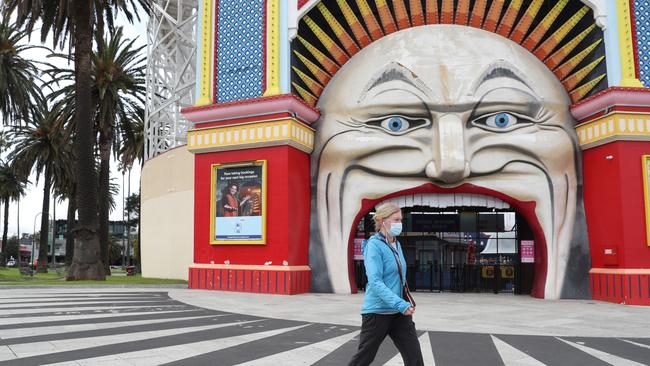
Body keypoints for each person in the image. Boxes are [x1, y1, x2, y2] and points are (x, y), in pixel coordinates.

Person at [349, 202, 423, 366]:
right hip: (377, 313)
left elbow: (400, 278)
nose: (400, 224)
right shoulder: (374, 245)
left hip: (399, 314)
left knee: (415, 359)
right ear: (382, 220)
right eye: (396, 220)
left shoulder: (396, 244)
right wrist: (400, 304)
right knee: (363, 359)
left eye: (401, 220)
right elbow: (375, 282)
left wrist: (404, 302)